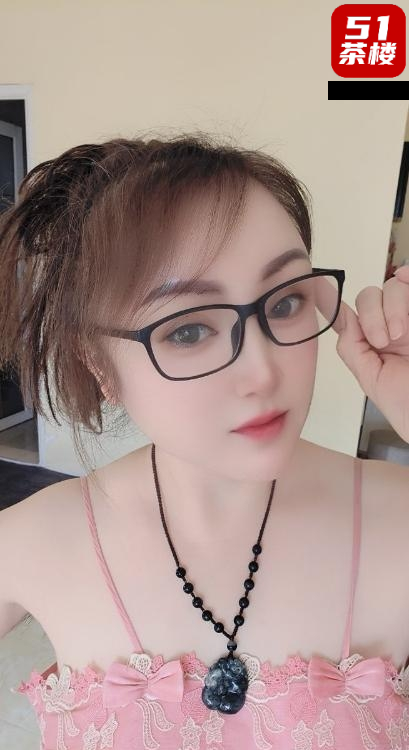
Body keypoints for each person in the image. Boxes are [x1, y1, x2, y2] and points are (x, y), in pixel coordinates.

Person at [1, 131, 409, 748]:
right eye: (189, 331)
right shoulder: (29, 542)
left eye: (286, 301)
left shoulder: (399, 516)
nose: (263, 372)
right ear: (98, 364)